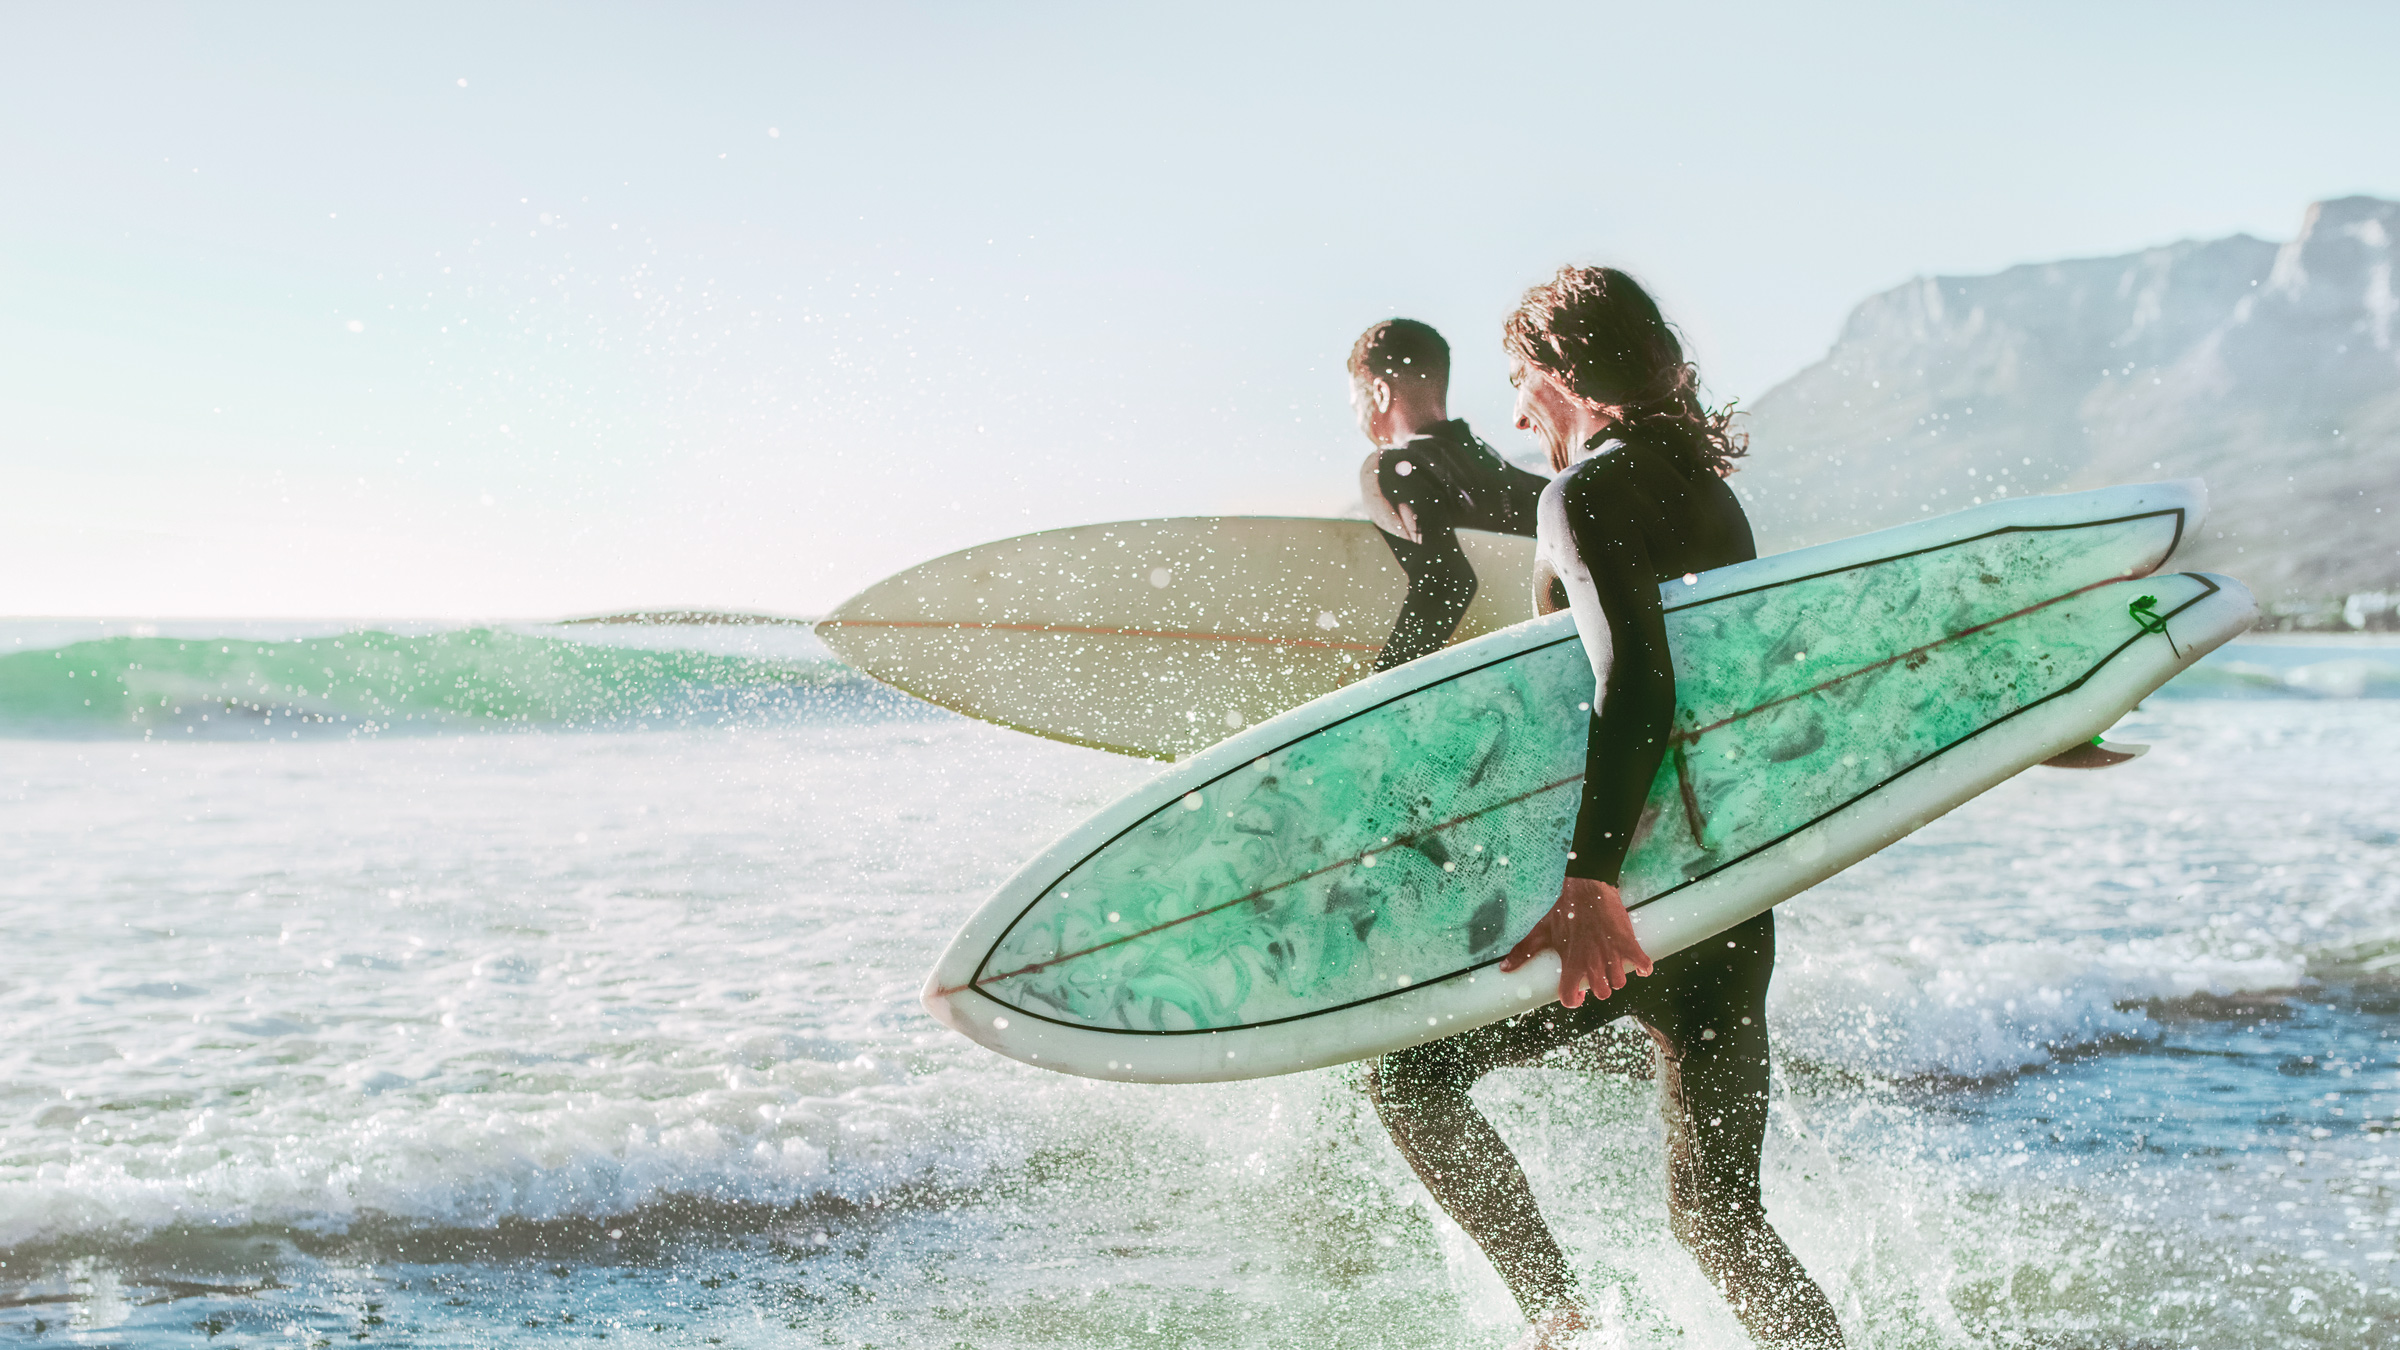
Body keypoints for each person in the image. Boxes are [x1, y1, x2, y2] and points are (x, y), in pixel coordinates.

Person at [1365, 268, 1844, 1349]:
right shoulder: (1707, 492)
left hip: (1631, 901)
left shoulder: (1581, 495)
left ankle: (1557, 1318)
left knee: (1410, 1079)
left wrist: (1589, 884)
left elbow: (1638, 681)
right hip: (1726, 895)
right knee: (1720, 1219)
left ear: (1558, 372)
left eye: (1518, 380)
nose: (1519, 412)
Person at [1348, 319, 1548, 671]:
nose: (1358, 418)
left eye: (1355, 404)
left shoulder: (1391, 467)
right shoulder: (1527, 485)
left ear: (1380, 392)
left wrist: (1381, 688)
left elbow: (1447, 583)